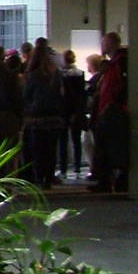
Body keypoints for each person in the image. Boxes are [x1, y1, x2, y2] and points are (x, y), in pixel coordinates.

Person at [21, 39, 64, 187]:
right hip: (54, 116)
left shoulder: (32, 74)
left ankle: (39, 178)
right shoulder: (55, 73)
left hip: (36, 117)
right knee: (51, 150)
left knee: (37, 150)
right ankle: (49, 177)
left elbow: (26, 95)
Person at [90, 32, 129, 193]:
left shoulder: (120, 63)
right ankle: (106, 179)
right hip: (108, 109)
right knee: (106, 146)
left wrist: (113, 104)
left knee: (110, 147)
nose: (102, 47)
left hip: (112, 110)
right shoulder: (113, 64)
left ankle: (110, 179)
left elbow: (121, 86)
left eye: (104, 43)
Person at [59, 48, 86, 178]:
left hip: (63, 109)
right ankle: (77, 168)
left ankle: (63, 169)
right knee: (76, 140)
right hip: (76, 110)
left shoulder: (60, 74)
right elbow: (82, 95)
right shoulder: (80, 73)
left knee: (63, 141)